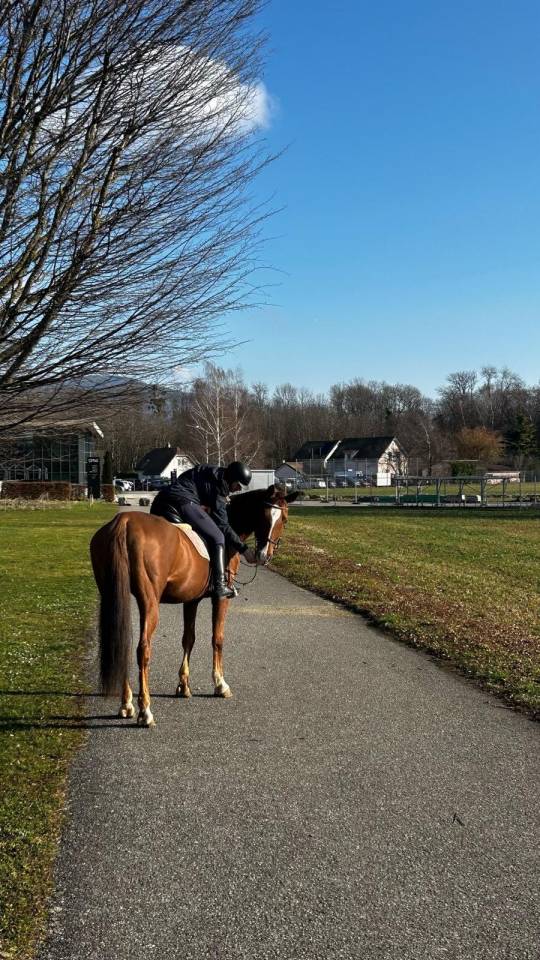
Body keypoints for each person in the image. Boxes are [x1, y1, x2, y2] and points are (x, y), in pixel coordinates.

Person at [150, 461, 257, 599]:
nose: (238, 489)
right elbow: (223, 525)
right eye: (238, 485)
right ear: (231, 479)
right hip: (182, 502)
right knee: (218, 537)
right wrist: (244, 550)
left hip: (160, 501)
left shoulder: (209, 471)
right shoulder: (219, 489)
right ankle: (219, 585)